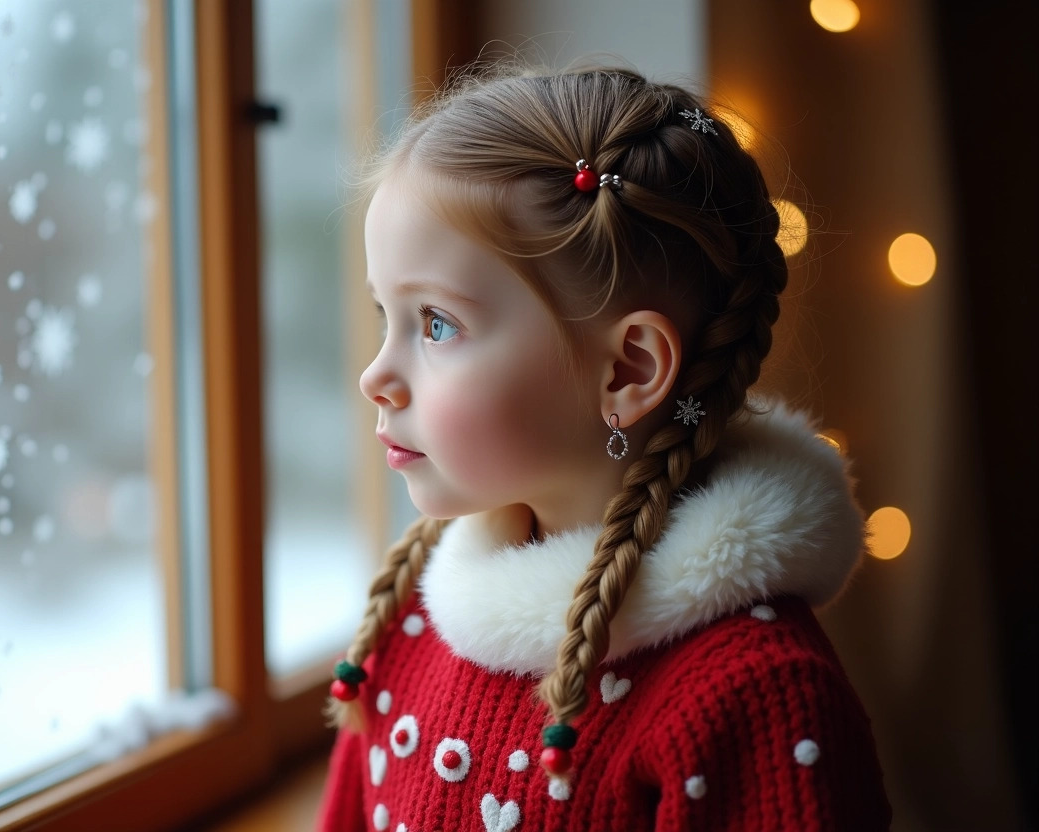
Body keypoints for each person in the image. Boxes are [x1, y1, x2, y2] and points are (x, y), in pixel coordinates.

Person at [317, 65, 891, 831]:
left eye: (436, 325)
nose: (375, 377)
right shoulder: (411, 616)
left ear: (629, 370)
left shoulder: (755, 696)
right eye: (384, 312)